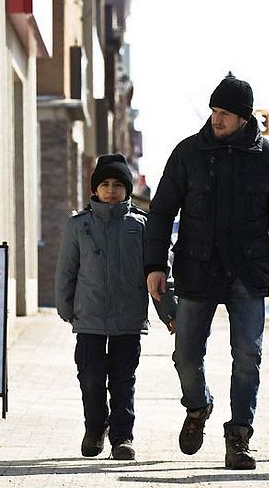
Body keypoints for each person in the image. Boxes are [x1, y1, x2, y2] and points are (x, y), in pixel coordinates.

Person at [144, 73, 269, 470]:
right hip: (197, 269)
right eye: (214, 111)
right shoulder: (188, 153)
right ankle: (198, 407)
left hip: (248, 273)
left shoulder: (268, 156)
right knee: (185, 355)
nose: (217, 119)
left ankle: (239, 437)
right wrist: (155, 266)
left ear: (245, 118)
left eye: (225, 113)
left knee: (248, 355)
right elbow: (161, 212)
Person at [55, 153, 176, 461]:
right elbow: (66, 272)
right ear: (95, 189)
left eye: (118, 185)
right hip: (89, 318)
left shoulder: (141, 225)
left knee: (123, 381)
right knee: (91, 378)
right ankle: (95, 429)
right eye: (105, 184)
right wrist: (67, 308)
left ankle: (122, 438)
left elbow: (159, 274)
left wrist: (168, 313)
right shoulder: (78, 226)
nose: (111, 190)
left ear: (127, 189)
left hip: (128, 319)